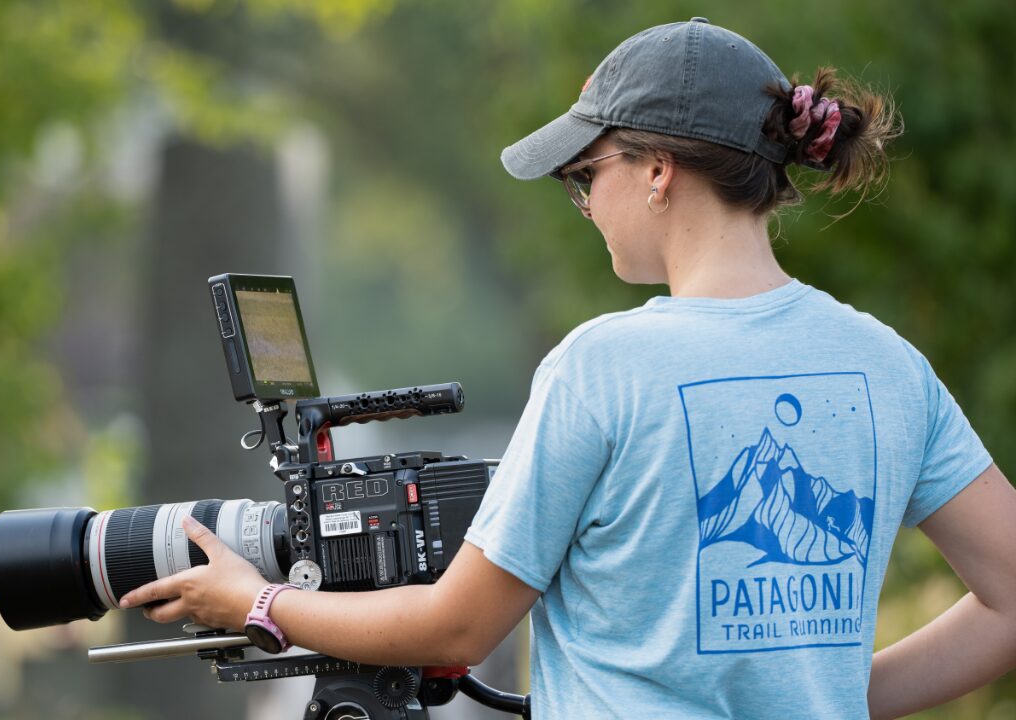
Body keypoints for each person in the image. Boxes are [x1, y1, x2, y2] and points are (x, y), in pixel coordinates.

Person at [119, 18, 1016, 719]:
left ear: (658, 170)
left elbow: (459, 628)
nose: (584, 204)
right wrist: (830, 701)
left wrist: (260, 603)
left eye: (586, 174)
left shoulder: (605, 367)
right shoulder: (885, 363)